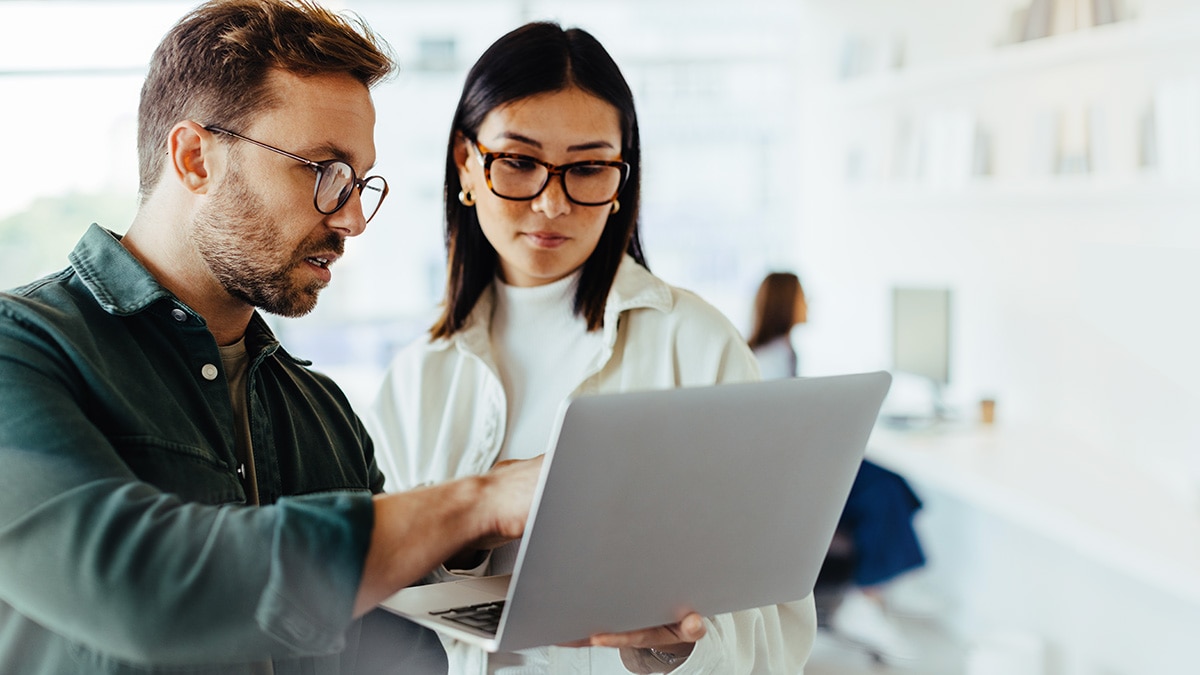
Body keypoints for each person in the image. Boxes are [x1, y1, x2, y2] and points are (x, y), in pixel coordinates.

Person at [0, 2, 545, 673]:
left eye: (359, 183)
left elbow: (398, 652)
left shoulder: (324, 412)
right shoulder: (21, 350)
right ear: (195, 157)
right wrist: (476, 500)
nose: (351, 220)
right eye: (323, 171)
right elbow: (141, 585)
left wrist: (591, 609)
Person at [366, 21, 816, 675]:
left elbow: (778, 633)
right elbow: (379, 607)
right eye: (518, 161)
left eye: (587, 168)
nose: (551, 203)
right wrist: (469, 520)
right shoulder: (416, 378)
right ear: (467, 161)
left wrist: (670, 649)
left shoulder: (697, 344)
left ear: (621, 179)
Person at [747, 272, 926, 663]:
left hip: (799, 469)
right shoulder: (772, 358)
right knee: (884, 493)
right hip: (790, 482)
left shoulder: (779, 351)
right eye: (803, 298)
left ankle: (876, 589)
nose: (809, 304)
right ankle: (868, 597)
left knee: (894, 486)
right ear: (786, 303)